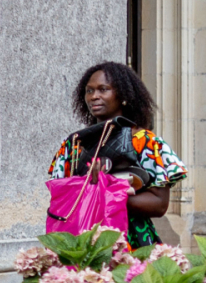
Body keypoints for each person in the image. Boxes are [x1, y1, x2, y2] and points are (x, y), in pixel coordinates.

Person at [48, 61, 187, 249]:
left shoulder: (145, 142)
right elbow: (61, 198)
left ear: (122, 95)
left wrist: (105, 192)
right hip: (82, 240)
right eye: (89, 91)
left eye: (103, 89)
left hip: (131, 242)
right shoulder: (73, 145)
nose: (94, 96)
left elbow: (160, 204)